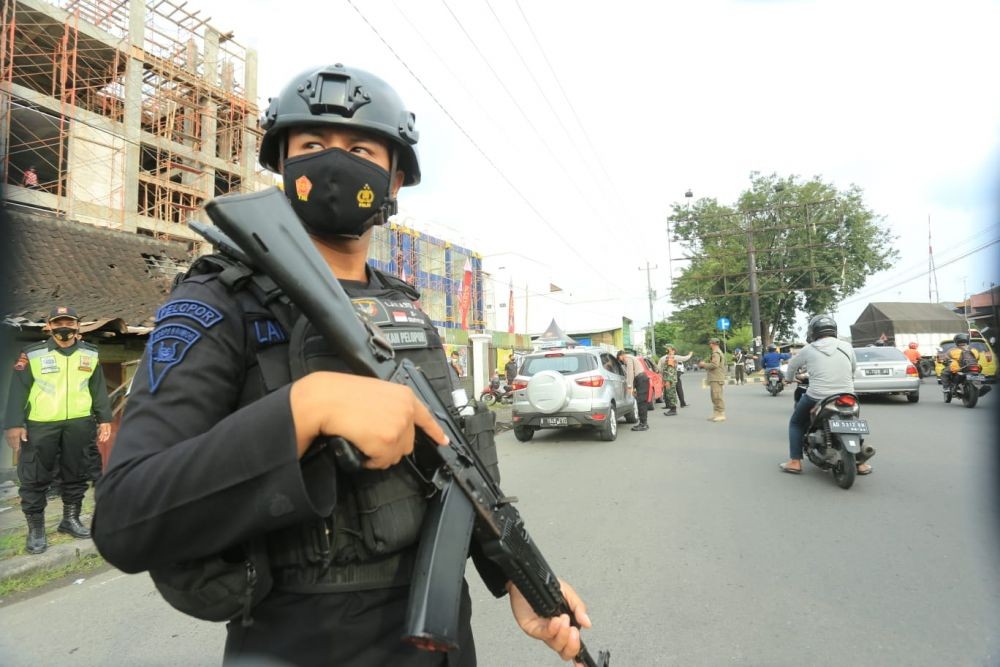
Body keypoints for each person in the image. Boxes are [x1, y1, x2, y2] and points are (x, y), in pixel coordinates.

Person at [92, 64, 590, 666]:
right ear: (282, 168)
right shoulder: (217, 302)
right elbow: (127, 516)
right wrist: (303, 411)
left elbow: (457, 461)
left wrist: (518, 576)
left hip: (441, 645)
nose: (334, 162)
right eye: (311, 146)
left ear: (396, 180)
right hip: (302, 644)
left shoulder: (404, 307)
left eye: (359, 148)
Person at [4, 306, 112, 555]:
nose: (65, 327)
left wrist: (104, 418)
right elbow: (18, 391)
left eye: (70, 322)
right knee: (35, 477)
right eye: (59, 322)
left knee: (76, 472)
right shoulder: (32, 354)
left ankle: (70, 520)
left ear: (77, 326)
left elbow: (97, 389)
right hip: (41, 424)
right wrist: (13, 424)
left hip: (80, 423)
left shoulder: (90, 354)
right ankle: (36, 530)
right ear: (49, 327)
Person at [779, 315, 872, 476]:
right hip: (847, 394)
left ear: (813, 331)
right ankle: (860, 463)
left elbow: (792, 366)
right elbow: (853, 368)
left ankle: (795, 461)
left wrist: (788, 379)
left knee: (796, 423)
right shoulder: (846, 346)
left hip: (817, 395)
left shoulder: (808, 349)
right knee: (852, 422)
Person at [618, 349, 650, 431]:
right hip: (642, 380)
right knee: (642, 402)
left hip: (641, 379)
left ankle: (643, 424)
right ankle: (643, 423)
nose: (621, 361)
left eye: (620, 359)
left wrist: (629, 387)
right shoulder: (631, 357)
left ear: (622, 356)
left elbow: (630, 373)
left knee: (641, 402)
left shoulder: (628, 358)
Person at [699, 338, 726, 422]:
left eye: (710, 343)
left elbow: (714, 365)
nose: (709, 345)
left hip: (716, 378)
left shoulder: (716, 353)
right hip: (715, 377)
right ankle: (716, 413)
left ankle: (721, 414)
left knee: (717, 396)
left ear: (712, 344)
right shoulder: (716, 352)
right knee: (714, 396)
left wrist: (704, 364)